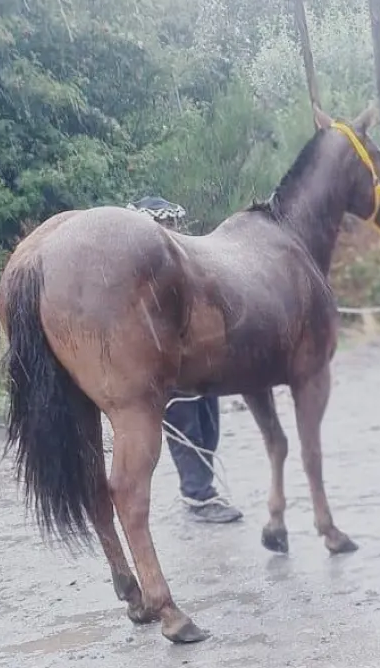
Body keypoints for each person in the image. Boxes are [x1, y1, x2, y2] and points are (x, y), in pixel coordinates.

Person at [126, 196, 243, 525]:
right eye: (163, 225)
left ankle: (203, 487)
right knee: (187, 425)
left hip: (201, 360)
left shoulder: (184, 263)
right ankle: (198, 495)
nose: (170, 231)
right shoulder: (138, 275)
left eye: (171, 224)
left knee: (208, 423)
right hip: (169, 365)